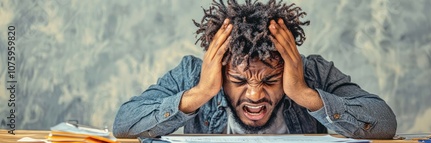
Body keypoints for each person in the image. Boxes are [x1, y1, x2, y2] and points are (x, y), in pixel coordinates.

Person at [113, 0, 397, 139]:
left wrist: (304, 93)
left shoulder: (311, 73)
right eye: (238, 79)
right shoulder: (193, 75)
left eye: (271, 79)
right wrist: (199, 93)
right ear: (221, 71)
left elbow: (384, 124)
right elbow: (124, 124)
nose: (254, 94)